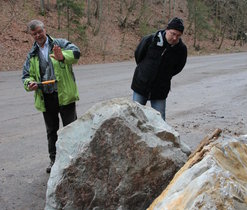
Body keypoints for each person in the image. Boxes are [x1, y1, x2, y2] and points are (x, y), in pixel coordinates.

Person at [22, 20, 81, 173]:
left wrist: (62, 56)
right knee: (51, 131)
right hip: (46, 97)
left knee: (71, 128)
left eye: (39, 32)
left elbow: (77, 53)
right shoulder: (32, 54)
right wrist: (29, 84)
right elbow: (25, 76)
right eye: (34, 34)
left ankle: (75, 159)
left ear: (44, 29)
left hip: (65, 95)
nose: (38, 35)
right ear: (32, 35)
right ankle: (54, 160)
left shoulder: (59, 43)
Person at [131, 17, 187, 121]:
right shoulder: (150, 40)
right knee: (135, 118)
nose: (175, 38)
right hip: (141, 84)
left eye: (178, 35)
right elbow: (138, 55)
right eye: (173, 33)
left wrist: (165, 75)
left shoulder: (181, 49)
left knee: (160, 120)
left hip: (160, 90)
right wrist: (145, 72)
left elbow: (179, 67)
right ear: (167, 30)